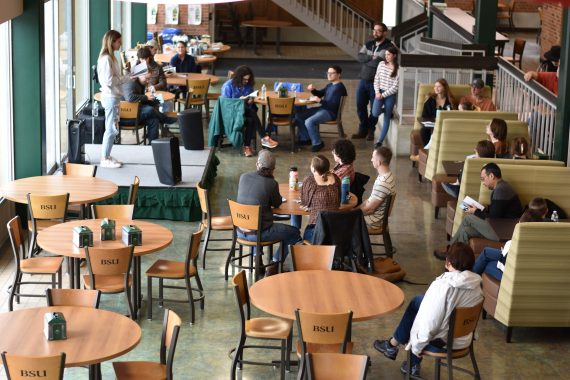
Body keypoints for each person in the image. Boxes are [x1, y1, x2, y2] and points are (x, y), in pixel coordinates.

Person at [373, 242, 483, 378]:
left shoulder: (443, 287)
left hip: (443, 343)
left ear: (448, 263)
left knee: (421, 322)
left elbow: (431, 323)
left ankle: (411, 363)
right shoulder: (477, 286)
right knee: (418, 301)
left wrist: (416, 347)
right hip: (464, 339)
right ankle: (392, 344)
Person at [435, 162, 523, 259]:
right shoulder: (502, 187)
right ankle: (456, 260)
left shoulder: (500, 190)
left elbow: (494, 217)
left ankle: (450, 251)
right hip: (500, 227)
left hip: (503, 232)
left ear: (491, 176)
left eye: (483, 179)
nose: (483, 183)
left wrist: (475, 211)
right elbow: (497, 213)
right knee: (465, 231)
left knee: (468, 219)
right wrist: (480, 209)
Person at [236, 150, 301, 276]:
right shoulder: (271, 183)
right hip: (258, 234)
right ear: (273, 169)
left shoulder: (243, 177)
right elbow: (277, 203)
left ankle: (256, 255)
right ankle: (274, 264)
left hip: (239, 230)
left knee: (255, 221)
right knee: (294, 232)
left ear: (257, 164)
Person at [473, 198, 548, 281]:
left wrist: (504, 253)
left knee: (488, 264)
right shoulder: (542, 235)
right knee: (487, 252)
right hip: (520, 268)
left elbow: (501, 266)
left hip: (511, 277)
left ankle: (468, 280)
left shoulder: (514, 243)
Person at [97, 30, 139, 168]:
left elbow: (115, 79)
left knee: (112, 127)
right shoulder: (106, 59)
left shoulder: (111, 57)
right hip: (110, 97)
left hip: (114, 96)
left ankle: (107, 155)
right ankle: (104, 158)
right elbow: (109, 81)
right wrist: (124, 77)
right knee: (110, 128)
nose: (120, 44)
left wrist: (127, 77)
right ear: (112, 41)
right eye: (119, 41)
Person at [221, 65, 278, 157]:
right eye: (244, 79)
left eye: (248, 79)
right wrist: (238, 101)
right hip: (231, 114)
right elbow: (225, 105)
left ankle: (247, 146)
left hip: (243, 112)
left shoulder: (248, 85)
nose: (246, 81)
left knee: (251, 119)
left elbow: (249, 100)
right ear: (238, 78)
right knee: (251, 112)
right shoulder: (228, 86)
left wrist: (250, 101)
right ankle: (264, 137)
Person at [122, 50, 178, 143]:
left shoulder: (140, 81)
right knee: (150, 110)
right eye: (147, 78)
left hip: (136, 111)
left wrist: (152, 101)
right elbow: (130, 98)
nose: (148, 81)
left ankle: (153, 144)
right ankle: (165, 119)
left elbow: (139, 99)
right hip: (127, 116)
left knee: (154, 119)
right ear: (140, 74)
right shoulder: (130, 82)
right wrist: (147, 98)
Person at [353, 22, 395, 141]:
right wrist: (370, 58)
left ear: (385, 33)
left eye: (378, 31)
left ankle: (371, 130)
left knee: (374, 109)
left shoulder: (388, 46)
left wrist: (369, 60)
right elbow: (359, 57)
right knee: (360, 106)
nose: (375, 33)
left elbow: (380, 62)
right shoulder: (369, 43)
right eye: (374, 30)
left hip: (376, 83)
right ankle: (363, 129)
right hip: (363, 80)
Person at [295, 65, 348, 152]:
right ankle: (306, 138)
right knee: (299, 116)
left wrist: (320, 101)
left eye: (332, 73)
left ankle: (318, 143)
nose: (329, 75)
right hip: (323, 109)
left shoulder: (339, 88)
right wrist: (313, 90)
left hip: (330, 112)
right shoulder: (330, 85)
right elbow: (319, 94)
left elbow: (333, 106)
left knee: (309, 121)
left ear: (339, 75)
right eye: (328, 73)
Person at [298, 155, 341, 242]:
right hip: (335, 228)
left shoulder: (310, 181)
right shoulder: (336, 179)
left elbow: (305, 202)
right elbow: (338, 202)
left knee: (304, 242)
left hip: (316, 230)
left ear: (313, 169)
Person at [360, 146, 396, 230]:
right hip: (373, 218)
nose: (371, 160)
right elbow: (369, 201)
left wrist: (351, 214)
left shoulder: (383, 183)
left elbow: (370, 210)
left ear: (379, 162)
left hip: (373, 222)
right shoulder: (386, 176)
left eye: (373, 157)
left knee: (340, 221)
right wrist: (354, 210)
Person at [371, 46, 400, 147]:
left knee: (387, 117)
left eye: (389, 54)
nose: (386, 56)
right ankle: (387, 110)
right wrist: (377, 92)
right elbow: (376, 79)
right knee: (375, 113)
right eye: (386, 54)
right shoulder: (381, 64)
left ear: (394, 55)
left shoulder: (398, 69)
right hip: (379, 92)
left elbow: (395, 87)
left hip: (390, 95)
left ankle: (380, 141)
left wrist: (383, 95)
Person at [420, 78, 456, 146]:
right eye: (435, 86)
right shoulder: (430, 100)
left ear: (444, 88)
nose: (436, 88)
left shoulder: (451, 100)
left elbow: (454, 114)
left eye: (439, 86)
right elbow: (424, 116)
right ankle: (427, 149)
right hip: (432, 123)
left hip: (445, 124)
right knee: (423, 130)